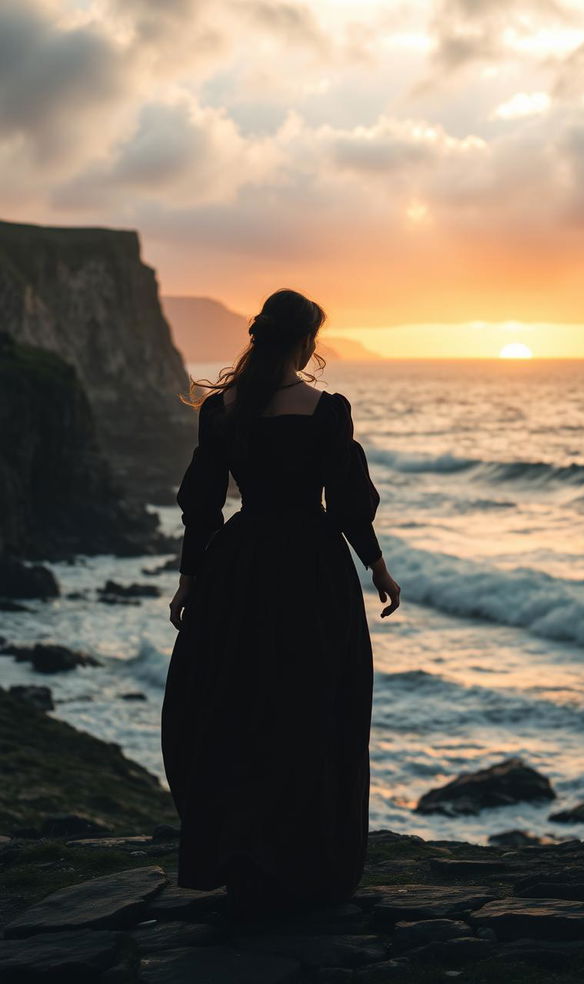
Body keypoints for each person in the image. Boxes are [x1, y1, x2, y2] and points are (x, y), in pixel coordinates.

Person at [161, 288, 401, 919]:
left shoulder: (222, 409)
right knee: (315, 707)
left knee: (236, 705)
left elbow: (204, 502)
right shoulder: (326, 410)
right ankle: (307, 864)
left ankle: (245, 859)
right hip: (312, 570)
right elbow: (346, 499)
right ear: (305, 343)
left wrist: (191, 578)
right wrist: (375, 563)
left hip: (241, 568)